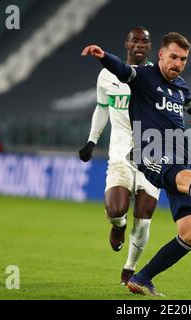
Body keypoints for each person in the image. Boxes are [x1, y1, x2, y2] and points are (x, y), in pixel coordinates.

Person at [81, 32, 191, 296]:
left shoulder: (180, 87)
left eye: (183, 59)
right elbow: (122, 70)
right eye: (173, 57)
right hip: (151, 152)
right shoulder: (144, 76)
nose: (178, 63)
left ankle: (143, 277)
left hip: (180, 155)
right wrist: (103, 57)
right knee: (186, 179)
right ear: (161, 55)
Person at [78, 27, 160, 285]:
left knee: (145, 219)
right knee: (116, 210)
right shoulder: (106, 76)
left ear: (149, 46)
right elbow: (102, 108)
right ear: (126, 43)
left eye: (144, 41)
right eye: (135, 40)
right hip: (120, 156)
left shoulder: (158, 76)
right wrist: (92, 140)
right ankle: (118, 225)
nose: (139, 44)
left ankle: (130, 269)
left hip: (151, 157)